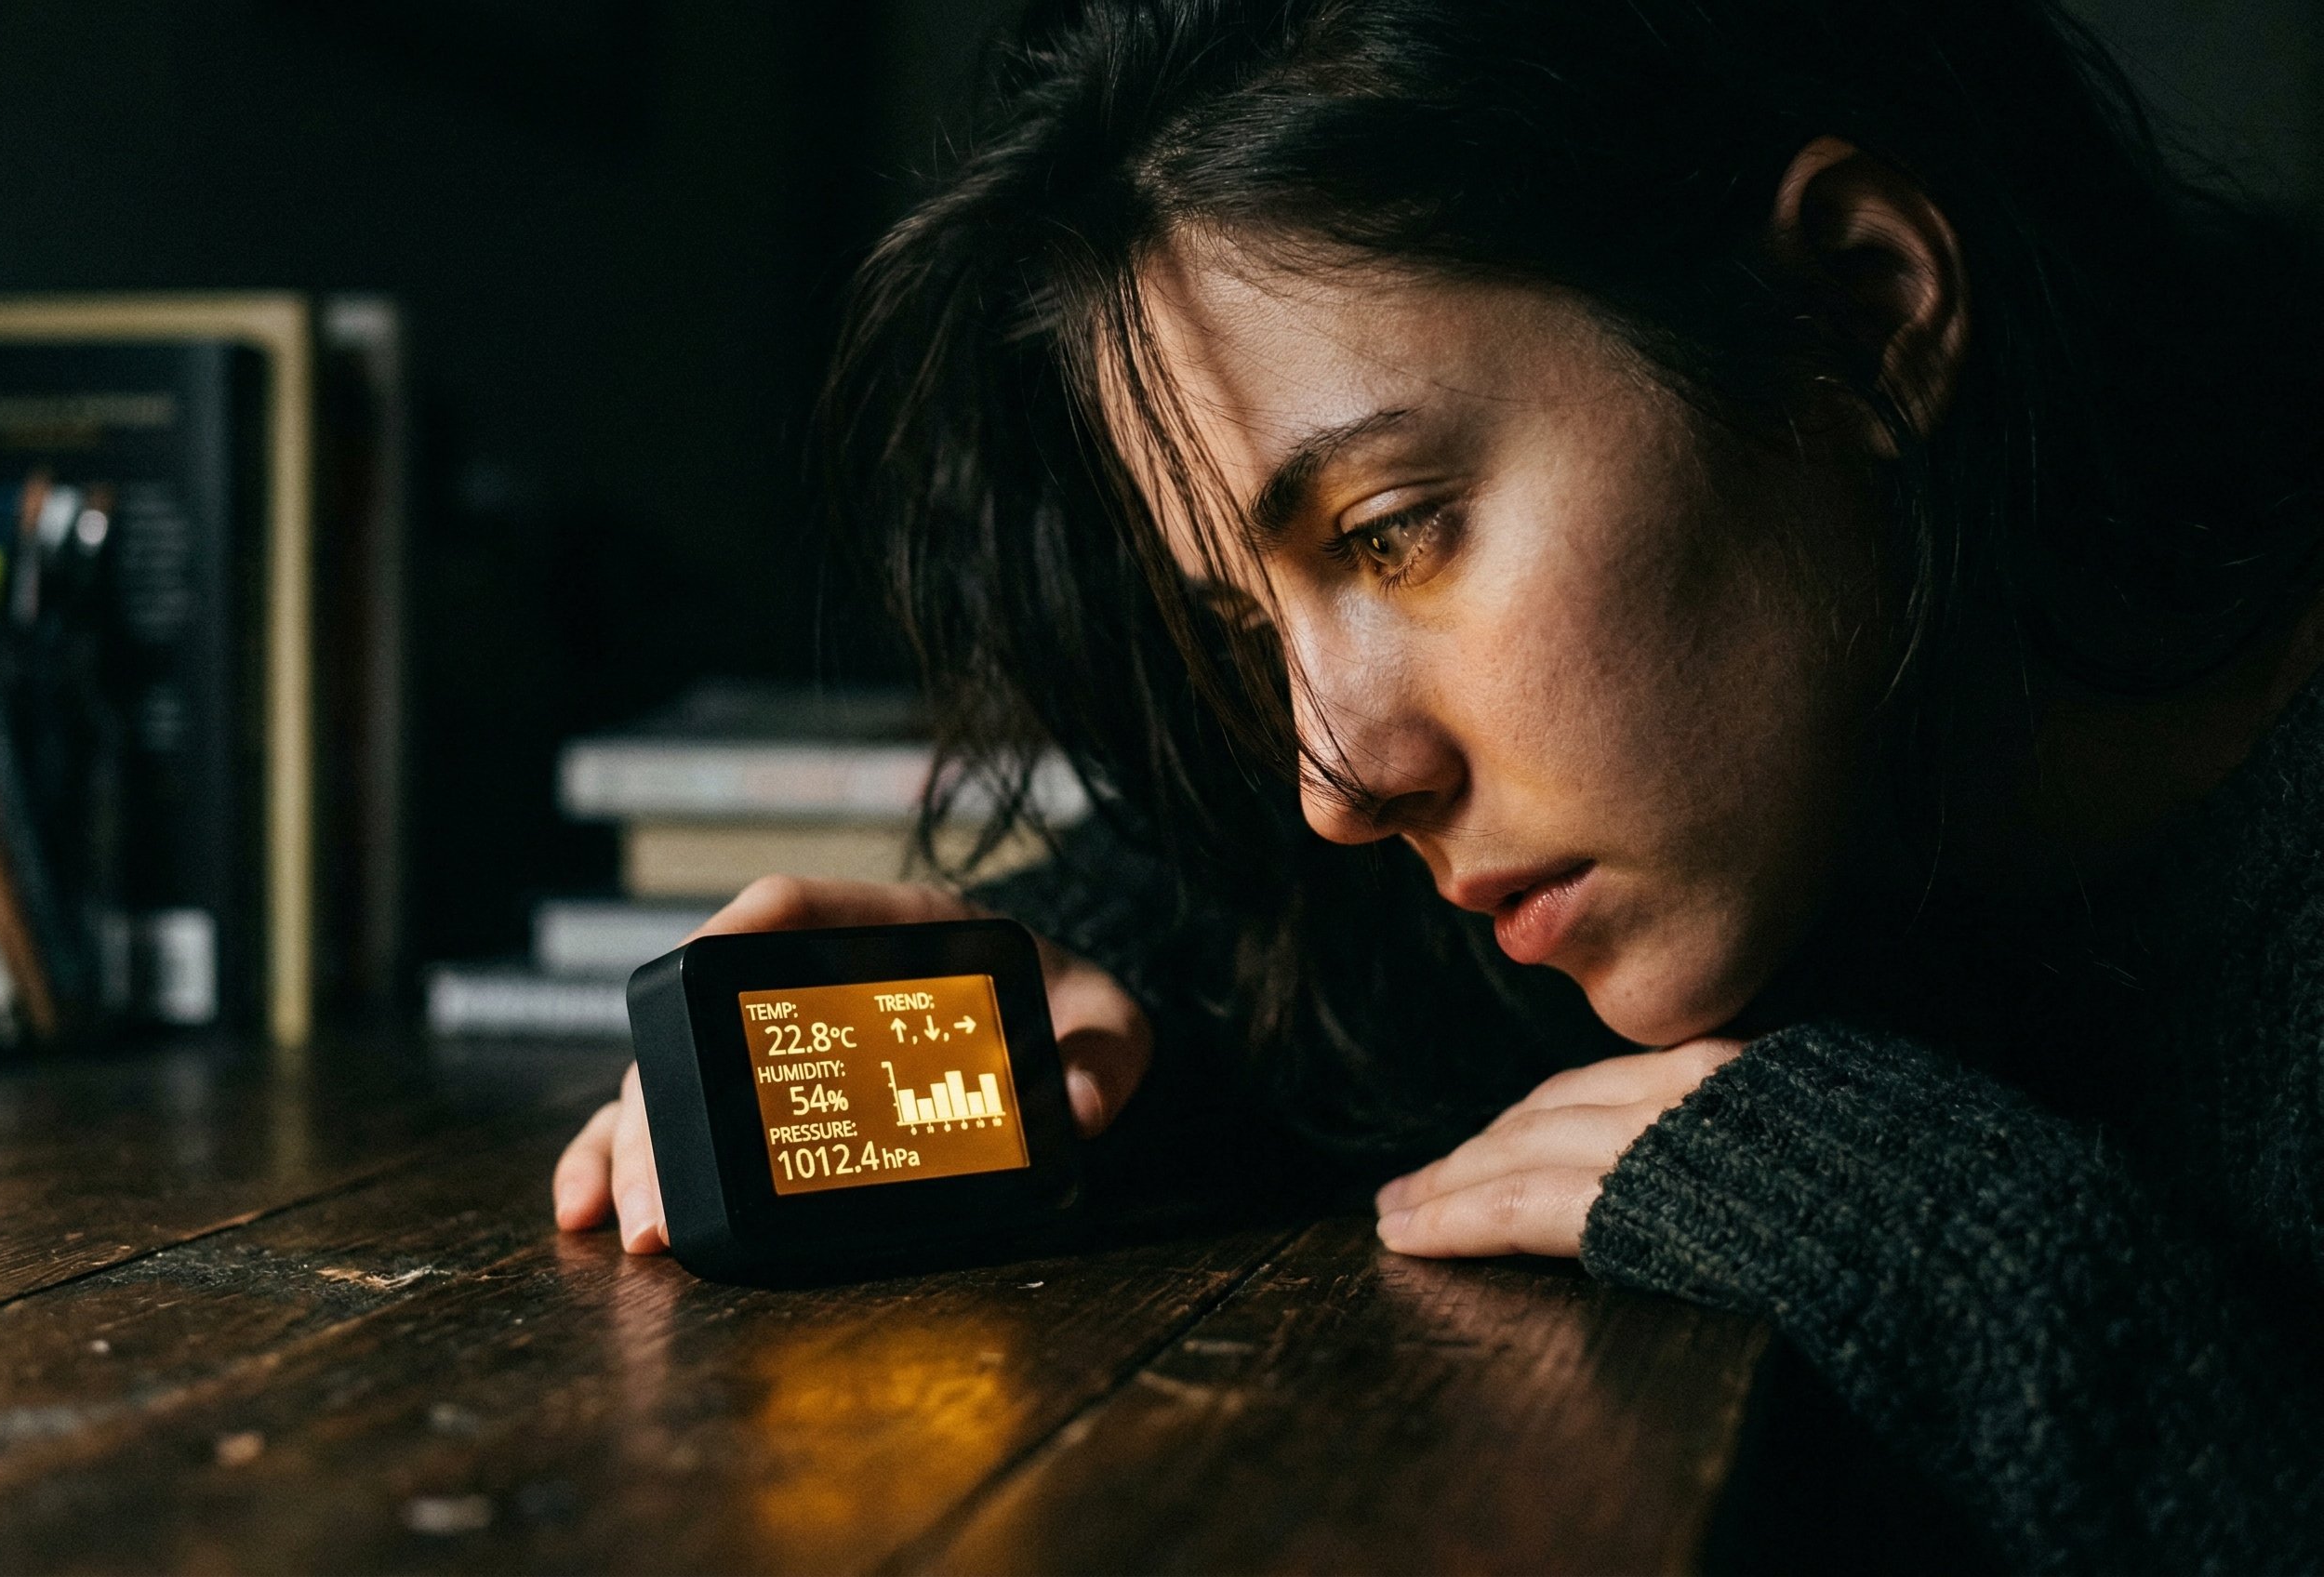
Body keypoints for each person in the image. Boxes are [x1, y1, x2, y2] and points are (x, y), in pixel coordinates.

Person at [552, 1, 2324, 1568]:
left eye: (1392, 532)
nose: (1335, 781)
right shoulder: (1781, 798)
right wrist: (1108, 998)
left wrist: (1956, 1255)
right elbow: (1268, 906)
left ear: (1860, 311)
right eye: (1249, 630)